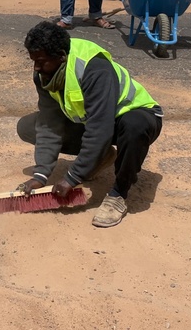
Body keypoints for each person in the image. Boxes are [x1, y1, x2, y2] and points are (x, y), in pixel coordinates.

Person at [15, 22, 163, 227]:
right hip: (95, 121)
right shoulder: (45, 74)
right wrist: (40, 175)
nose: (37, 68)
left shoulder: (94, 68)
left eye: (41, 61)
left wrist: (72, 177)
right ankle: (101, 156)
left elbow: (100, 129)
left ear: (61, 56)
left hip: (135, 116)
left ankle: (118, 194)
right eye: (33, 61)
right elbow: (50, 123)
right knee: (28, 126)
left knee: (133, 127)